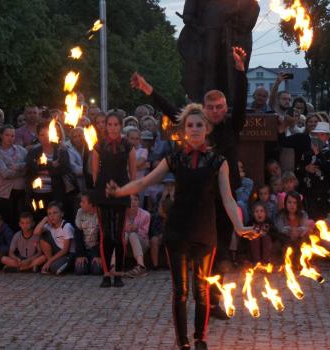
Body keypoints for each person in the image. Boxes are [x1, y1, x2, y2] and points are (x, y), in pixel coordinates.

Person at [105, 103, 253, 350]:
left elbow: (228, 198)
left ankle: (200, 338)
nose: (194, 129)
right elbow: (144, 182)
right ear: (184, 130)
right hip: (177, 231)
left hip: (205, 232)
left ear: (206, 128)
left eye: (199, 125)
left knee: (202, 289)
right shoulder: (173, 158)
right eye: (190, 125)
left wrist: (239, 226)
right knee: (180, 290)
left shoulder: (219, 162)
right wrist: (120, 190)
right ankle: (183, 341)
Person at [130, 47, 249, 320]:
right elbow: (171, 111)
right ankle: (200, 294)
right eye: (211, 108)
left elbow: (242, 99)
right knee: (202, 247)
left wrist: (240, 70)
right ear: (204, 110)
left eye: (220, 107)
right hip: (201, 198)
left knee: (220, 248)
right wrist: (148, 89)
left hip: (227, 196)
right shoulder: (196, 126)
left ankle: (214, 300)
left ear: (225, 108)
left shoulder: (233, 124)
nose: (216, 111)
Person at [91, 112, 137, 288]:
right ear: (106, 126)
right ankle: (106, 273)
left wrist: (131, 193)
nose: (112, 128)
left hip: (122, 190)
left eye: (116, 124)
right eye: (110, 124)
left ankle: (118, 273)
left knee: (118, 234)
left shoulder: (128, 146)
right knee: (105, 234)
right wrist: (101, 189)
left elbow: (133, 173)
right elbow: (95, 173)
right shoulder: (99, 146)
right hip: (103, 192)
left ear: (120, 126)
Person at [25, 121, 75, 220]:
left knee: (56, 220)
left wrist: (46, 171)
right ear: (38, 136)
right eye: (42, 135)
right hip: (37, 193)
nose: (45, 137)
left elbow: (65, 168)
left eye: (47, 134)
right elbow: (32, 167)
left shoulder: (60, 150)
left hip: (56, 193)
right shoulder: (34, 152)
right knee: (40, 219)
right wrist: (52, 164)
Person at [297, 122, 330, 220]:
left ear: (328, 136)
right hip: (309, 193)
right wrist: (305, 168)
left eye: (322, 134)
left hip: (325, 193)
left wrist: (318, 154)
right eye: (316, 134)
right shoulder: (306, 152)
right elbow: (298, 169)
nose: (318, 137)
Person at [0, 125, 27, 229]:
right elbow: (5, 173)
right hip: (4, 193)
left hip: (21, 191)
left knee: (20, 220)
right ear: (1, 135)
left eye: (12, 135)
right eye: (7, 135)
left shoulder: (21, 150)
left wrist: (17, 166)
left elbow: (28, 166)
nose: (10, 138)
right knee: (7, 221)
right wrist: (21, 171)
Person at [33, 202, 75, 275]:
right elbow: (36, 233)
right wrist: (44, 220)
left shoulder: (66, 226)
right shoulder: (49, 226)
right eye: (49, 214)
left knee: (54, 268)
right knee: (43, 235)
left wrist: (50, 261)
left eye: (55, 213)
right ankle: (50, 263)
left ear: (62, 214)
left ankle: (52, 264)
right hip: (56, 253)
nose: (52, 216)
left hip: (68, 254)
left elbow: (65, 250)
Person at [122, 194, 150, 278]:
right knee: (126, 234)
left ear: (139, 201)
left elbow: (145, 233)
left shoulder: (146, 215)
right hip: (126, 244)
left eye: (136, 199)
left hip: (142, 243)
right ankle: (115, 265)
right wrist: (125, 229)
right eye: (131, 200)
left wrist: (137, 229)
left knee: (133, 235)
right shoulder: (121, 214)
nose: (133, 202)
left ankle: (141, 266)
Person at [74, 193, 102, 275]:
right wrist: (80, 254)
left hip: (96, 248)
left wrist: (98, 254)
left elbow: (102, 237)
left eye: (83, 202)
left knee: (97, 270)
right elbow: (78, 235)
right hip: (84, 248)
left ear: (91, 204)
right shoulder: (80, 212)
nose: (80, 204)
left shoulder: (100, 213)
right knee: (80, 270)